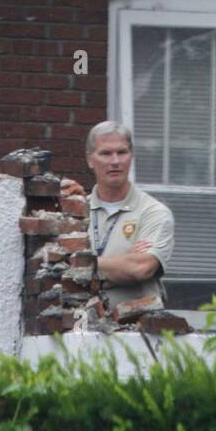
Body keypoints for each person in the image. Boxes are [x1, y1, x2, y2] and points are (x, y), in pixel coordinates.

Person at [61, 121, 174, 309]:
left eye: (122, 152)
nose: (115, 161)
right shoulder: (74, 213)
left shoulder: (154, 212)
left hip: (138, 332)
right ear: (90, 160)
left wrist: (81, 267)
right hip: (80, 329)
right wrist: (123, 263)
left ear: (131, 156)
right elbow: (61, 274)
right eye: (105, 153)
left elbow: (140, 268)